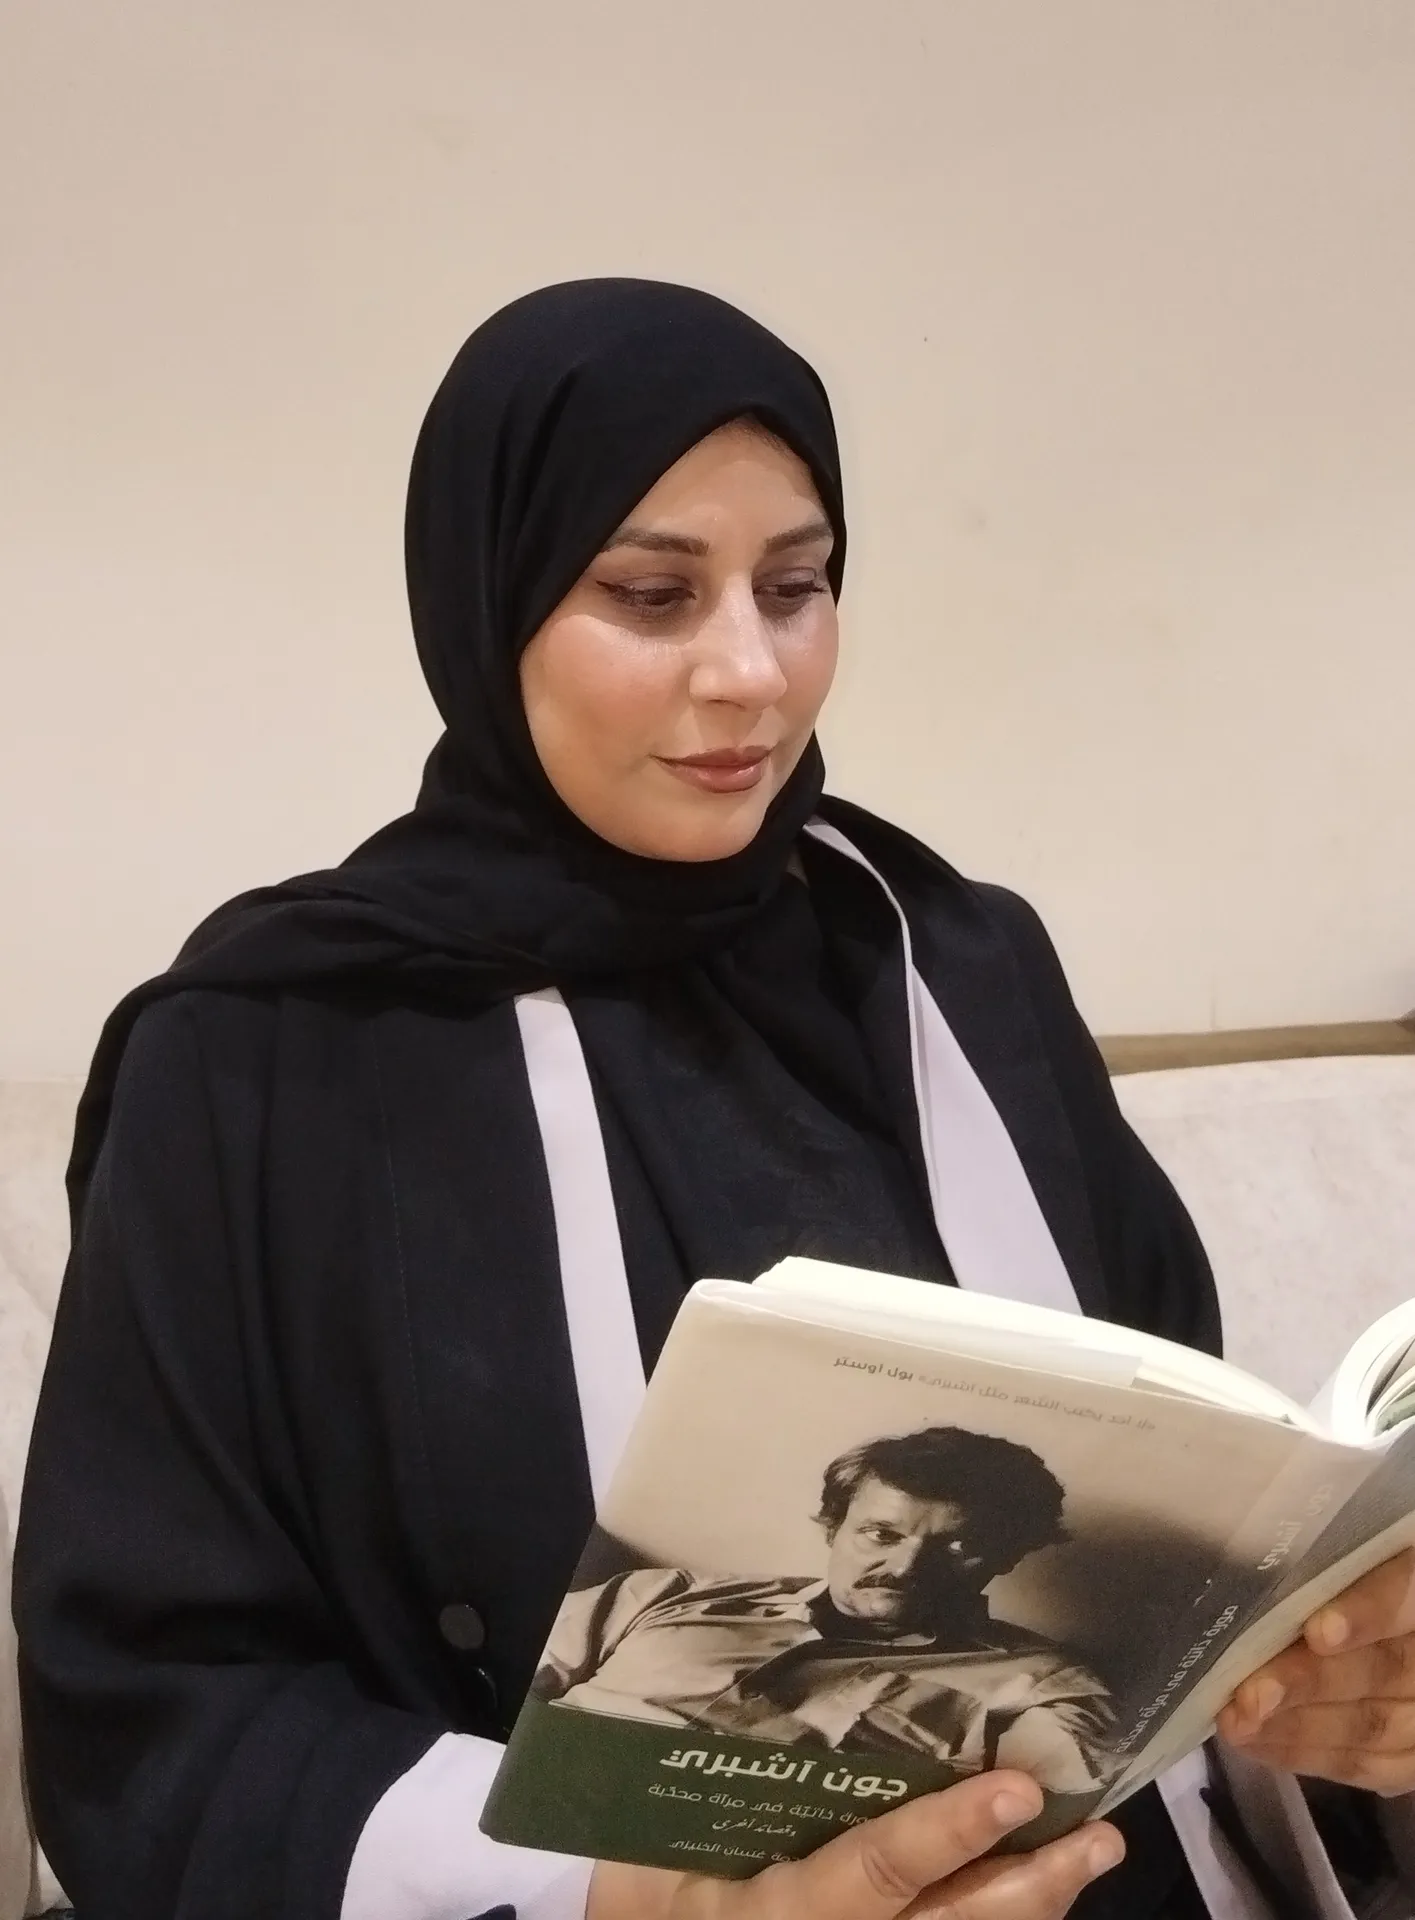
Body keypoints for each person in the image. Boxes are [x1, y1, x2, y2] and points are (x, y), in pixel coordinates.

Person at [12, 279, 1415, 1920]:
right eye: (650, 594)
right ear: (489, 599)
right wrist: (638, 1895)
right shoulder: (268, 1057)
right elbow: (156, 1713)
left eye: (796, 586)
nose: (749, 672)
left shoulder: (959, 968)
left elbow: (1176, 1581)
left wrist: (1332, 1697)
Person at [538, 1427, 1118, 1796]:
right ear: (834, 1527)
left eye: (959, 1548)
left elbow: (1036, 1812)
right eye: (881, 1534)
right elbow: (505, 1707)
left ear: (1008, 1557)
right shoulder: (660, 1595)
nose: (906, 1567)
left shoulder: (1044, 1685)